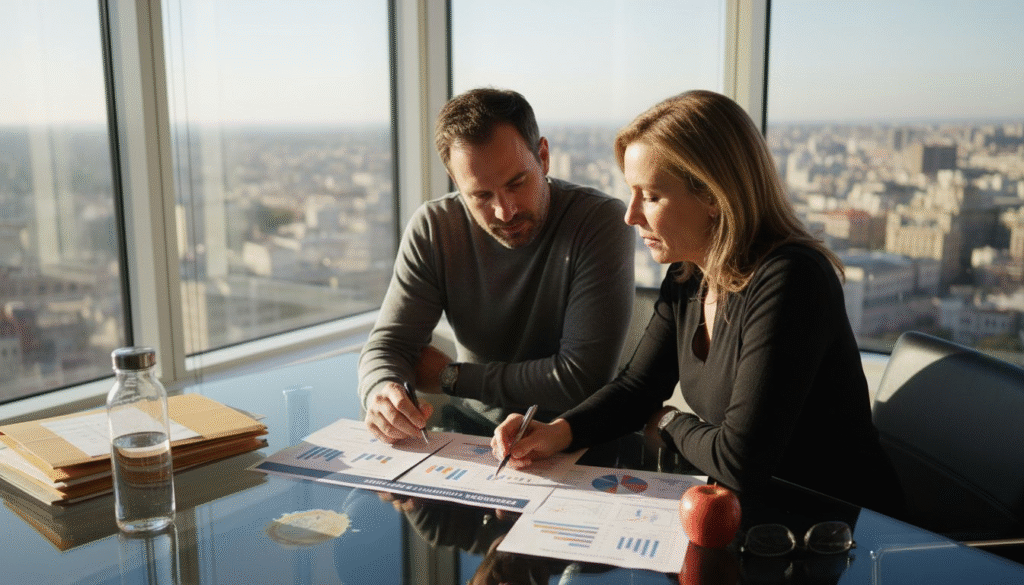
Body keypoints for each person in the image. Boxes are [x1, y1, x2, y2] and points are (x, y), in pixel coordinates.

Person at [491, 90, 905, 517]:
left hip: (844, 536)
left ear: (712, 195)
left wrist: (671, 423)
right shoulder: (691, 273)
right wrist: (556, 431)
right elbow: (638, 387)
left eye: (650, 196)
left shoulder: (791, 280)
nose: (631, 215)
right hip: (755, 521)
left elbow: (740, 461)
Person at [359, 88, 635, 443]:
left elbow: (580, 378)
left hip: (574, 437)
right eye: (481, 196)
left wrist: (452, 377)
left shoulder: (599, 221)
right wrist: (381, 392)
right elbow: (389, 346)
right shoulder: (435, 226)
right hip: (471, 430)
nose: (505, 211)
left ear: (544, 157)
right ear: (455, 181)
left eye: (517, 183)